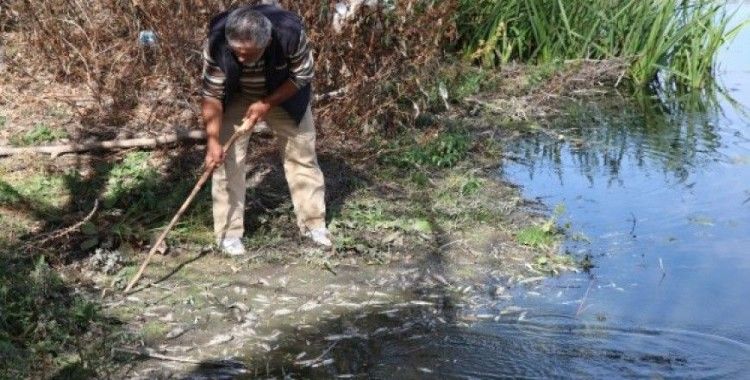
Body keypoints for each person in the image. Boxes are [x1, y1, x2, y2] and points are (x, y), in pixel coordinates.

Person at [201, 4, 331, 255]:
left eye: (249, 54)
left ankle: (313, 224)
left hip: (284, 93)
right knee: (227, 161)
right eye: (236, 53)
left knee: (301, 155)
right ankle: (229, 233)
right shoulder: (217, 41)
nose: (241, 59)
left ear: (267, 41)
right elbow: (212, 94)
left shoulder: (290, 35)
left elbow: (302, 75)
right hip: (237, 94)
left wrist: (266, 103)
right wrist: (213, 140)